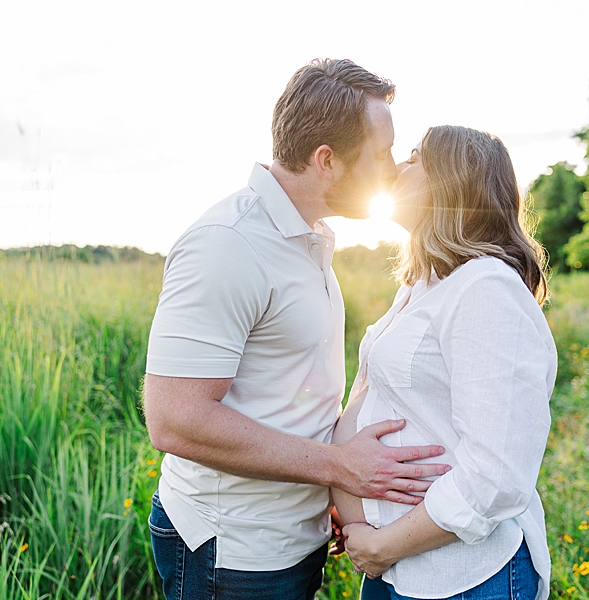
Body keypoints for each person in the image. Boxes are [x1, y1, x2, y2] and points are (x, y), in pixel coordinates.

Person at [142, 58, 450, 600]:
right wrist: (338, 466)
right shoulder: (227, 244)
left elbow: (290, 388)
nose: (393, 169)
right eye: (379, 156)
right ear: (326, 160)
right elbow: (175, 420)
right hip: (232, 551)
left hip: (293, 535)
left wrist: (328, 490)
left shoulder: (309, 236)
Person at [332, 125, 556, 600]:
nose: (396, 168)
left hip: (462, 575)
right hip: (396, 567)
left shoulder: (486, 289)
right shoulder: (424, 284)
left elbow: (495, 477)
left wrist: (381, 543)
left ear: (450, 181)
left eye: (414, 158)